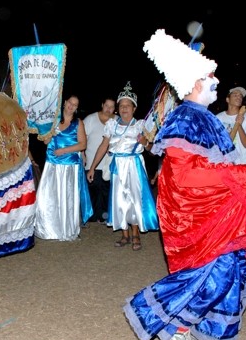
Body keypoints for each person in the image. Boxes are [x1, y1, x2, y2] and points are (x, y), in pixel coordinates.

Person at [123, 29, 246, 340]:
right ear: (195, 84)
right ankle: (175, 326)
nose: (217, 82)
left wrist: (239, 180)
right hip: (197, 218)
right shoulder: (185, 119)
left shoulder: (205, 118)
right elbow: (185, 176)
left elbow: (217, 165)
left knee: (232, 271)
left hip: (221, 213)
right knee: (213, 277)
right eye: (211, 77)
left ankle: (202, 330)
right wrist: (243, 178)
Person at [86, 82, 159, 251]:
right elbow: (103, 146)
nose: (124, 108)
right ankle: (124, 234)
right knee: (119, 198)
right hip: (117, 165)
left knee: (134, 198)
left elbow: (153, 151)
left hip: (133, 165)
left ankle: (135, 234)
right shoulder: (112, 125)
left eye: (128, 105)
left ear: (134, 108)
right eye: (121, 105)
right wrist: (92, 168)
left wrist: (145, 142)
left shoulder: (141, 125)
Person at [34, 94, 93, 241]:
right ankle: (49, 229)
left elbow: (83, 144)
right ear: (65, 102)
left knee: (67, 199)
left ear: (77, 108)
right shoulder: (53, 120)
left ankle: (67, 230)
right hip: (52, 164)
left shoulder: (78, 123)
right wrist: (48, 130)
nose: (71, 106)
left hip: (69, 166)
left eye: (75, 105)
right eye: (70, 103)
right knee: (47, 196)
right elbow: (46, 141)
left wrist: (64, 150)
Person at [83, 96, 117, 225]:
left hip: (109, 164)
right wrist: (83, 154)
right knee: (93, 189)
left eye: (112, 106)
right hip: (92, 161)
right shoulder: (91, 119)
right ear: (102, 104)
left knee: (106, 191)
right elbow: (82, 138)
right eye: (107, 105)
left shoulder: (117, 121)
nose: (109, 109)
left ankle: (104, 216)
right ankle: (92, 216)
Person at [216, 87, 246, 164]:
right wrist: (237, 123)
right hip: (225, 163)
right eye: (235, 95)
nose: (239, 97)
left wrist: (239, 125)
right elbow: (223, 144)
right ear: (227, 99)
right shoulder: (218, 118)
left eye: (241, 96)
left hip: (242, 163)